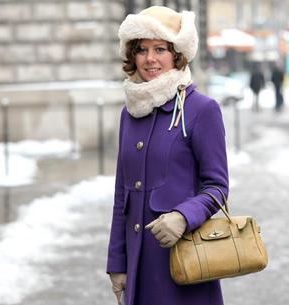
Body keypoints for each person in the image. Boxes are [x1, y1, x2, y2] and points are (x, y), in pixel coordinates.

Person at [107, 6, 229, 305]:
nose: (150, 59)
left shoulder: (201, 109)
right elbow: (122, 195)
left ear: (177, 54)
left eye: (160, 48)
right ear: (132, 56)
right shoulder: (129, 113)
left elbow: (217, 187)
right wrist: (117, 263)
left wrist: (183, 216)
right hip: (139, 265)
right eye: (142, 49)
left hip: (185, 264)